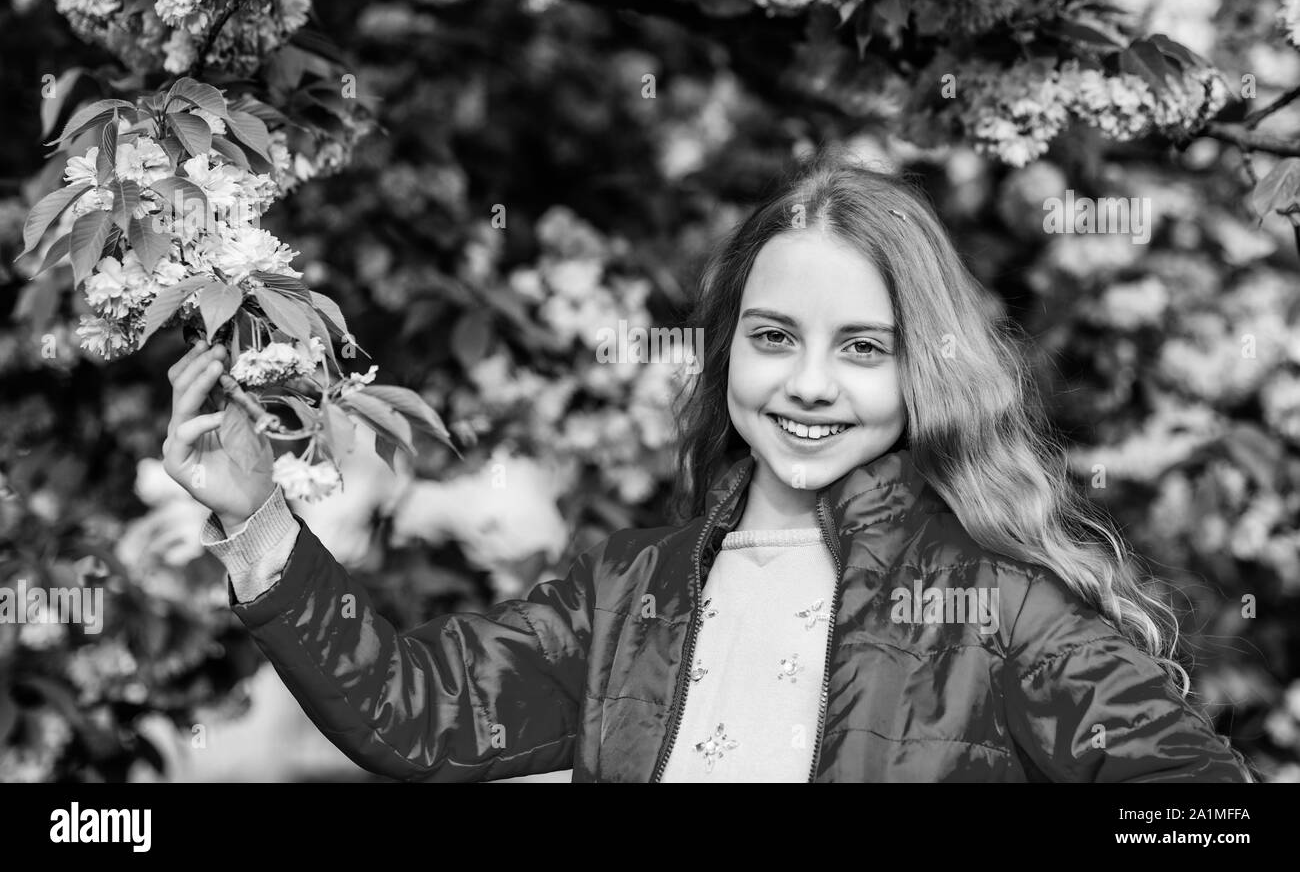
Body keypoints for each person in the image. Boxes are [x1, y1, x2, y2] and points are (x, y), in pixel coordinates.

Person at [164, 148, 1256, 782]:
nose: (809, 384)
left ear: (924, 370)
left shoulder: (1000, 609)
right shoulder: (626, 591)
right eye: (775, 337)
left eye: (863, 349)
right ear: (727, 344)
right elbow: (413, 712)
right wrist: (258, 515)